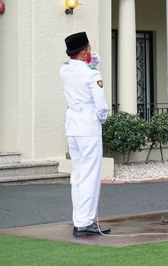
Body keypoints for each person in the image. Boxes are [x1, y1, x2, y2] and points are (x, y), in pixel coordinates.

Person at [60, 31, 111, 236]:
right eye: (88, 49)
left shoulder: (64, 70)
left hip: (72, 127)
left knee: (79, 175)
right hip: (88, 127)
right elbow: (100, 106)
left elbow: (78, 69)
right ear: (83, 53)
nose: (91, 52)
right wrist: (102, 118)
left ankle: (79, 219)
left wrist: (92, 63)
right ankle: (85, 222)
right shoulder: (91, 74)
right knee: (90, 175)